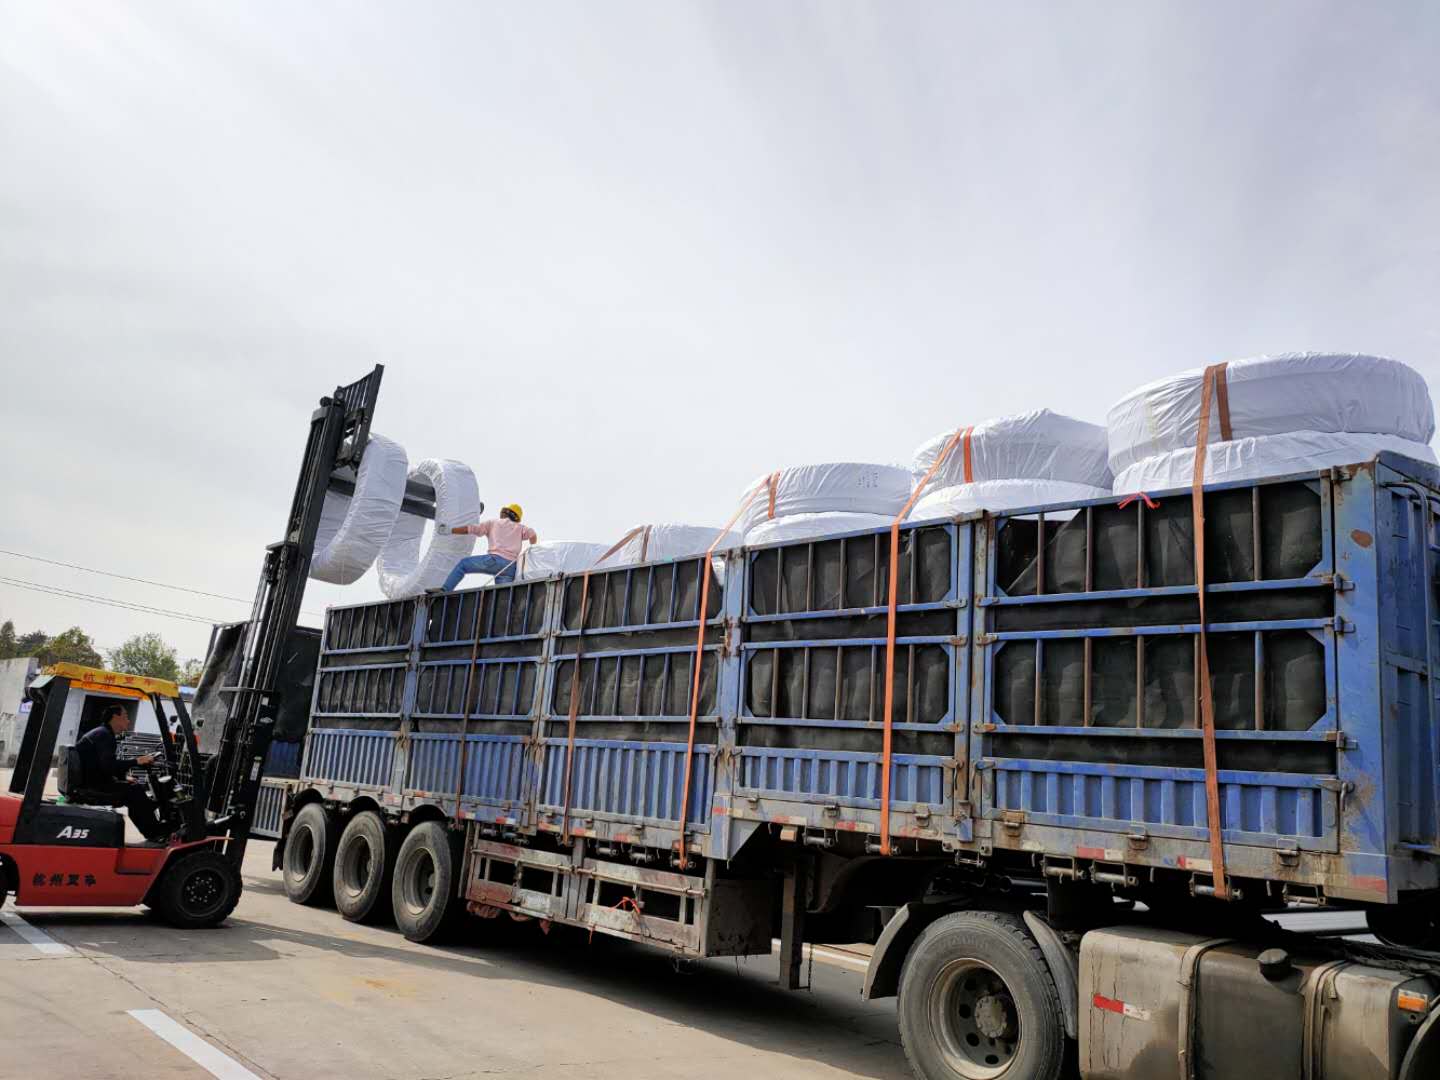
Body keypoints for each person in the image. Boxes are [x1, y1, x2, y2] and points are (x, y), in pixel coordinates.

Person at [70, 703, 169, 842]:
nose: (129, 721)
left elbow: (103, 765)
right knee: (134, 793)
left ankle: (152, 829)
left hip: (92, 781)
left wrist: (123, 777)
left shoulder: (102, 733)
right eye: (126, 716)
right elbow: (109, 766)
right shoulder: (104, 735)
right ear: (115, 717)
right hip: (92, 786)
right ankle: (156, 832)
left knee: (135, 790)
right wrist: (138, 761)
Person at [442, 504, 537, 589]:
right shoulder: (520, 528)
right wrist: (532, 547)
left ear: (505, 512)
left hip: (494, 560)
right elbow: (532, 534)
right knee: (503, 595)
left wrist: (450, 530)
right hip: (510, 567)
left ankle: (445, 589)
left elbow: (471, 529)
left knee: (463, 564)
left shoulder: (493, 522)